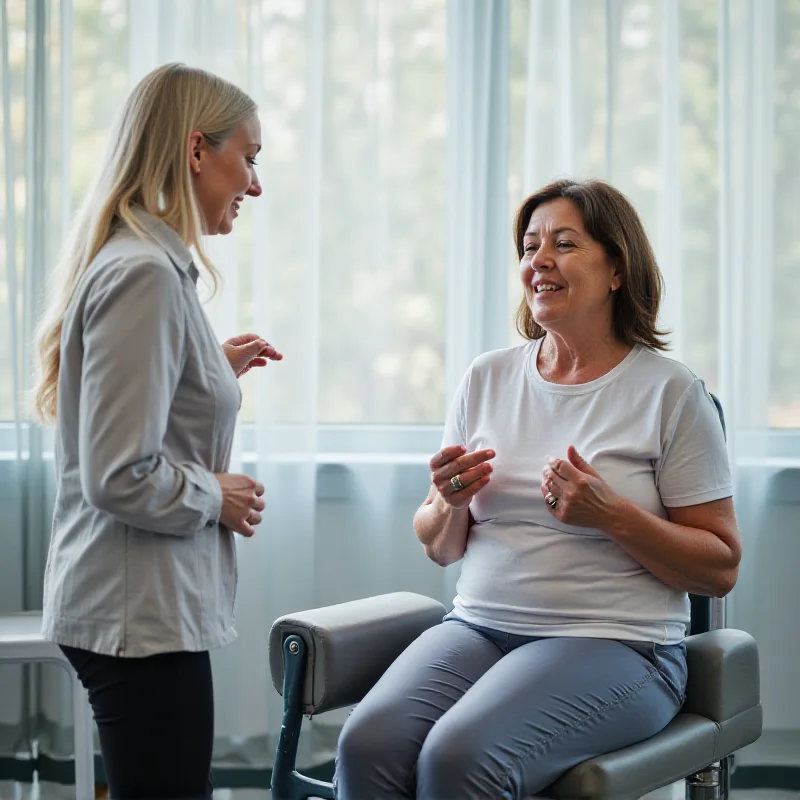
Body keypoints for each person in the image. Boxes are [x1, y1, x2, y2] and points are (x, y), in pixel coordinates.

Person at [335, 179, 742, 799]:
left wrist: (613, 516)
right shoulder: (488, 377)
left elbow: (720, 568)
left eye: (564, 243)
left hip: (618, 646)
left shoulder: (670, 393)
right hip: (477, 626)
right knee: (367, 745)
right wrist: (450, 500)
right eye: (529, 247)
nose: (539, 260)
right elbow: (439, 546)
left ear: (616, 269)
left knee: (460, 757)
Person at [32, 63, 281, 799]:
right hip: (135, 613)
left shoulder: (148, 266)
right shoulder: (142, 272)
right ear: (197, 150)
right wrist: (219, 496)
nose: (256, 184)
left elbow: (141, 414)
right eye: (251, 158)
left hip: (138, 610)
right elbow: (117, 471)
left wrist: (209, 369)